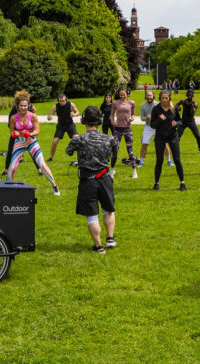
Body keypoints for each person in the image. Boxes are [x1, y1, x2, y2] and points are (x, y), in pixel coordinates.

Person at [66, 106, 118, 254]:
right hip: (105, 178)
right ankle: (110, 238)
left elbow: (68, 152)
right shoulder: (109, 138)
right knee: (108, 209)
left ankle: (99, 246)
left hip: (88, 180)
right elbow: (114, 155)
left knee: (92, 215)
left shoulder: (79, 140)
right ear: (100, 121)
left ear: (84, 121)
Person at [8, 96, 60, 195]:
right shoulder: (13, 118)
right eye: (21, 106)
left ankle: (54, 185)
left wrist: (30, 134)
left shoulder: (33, 116)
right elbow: (11, 130)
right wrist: (14, 133)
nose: (23, 108)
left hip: (32, 141)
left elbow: (37, 130)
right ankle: (7, 187)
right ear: (17, 106)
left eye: (25, 106)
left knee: (42, 165)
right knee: (12, 167)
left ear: (28, 106)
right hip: (19, 142)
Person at [150, 90, 187, 191]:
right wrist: (159, 120)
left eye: (166, 98)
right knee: (159, 160)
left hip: (172, 136)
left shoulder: (173, 108)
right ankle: (156, 183)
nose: (165, 100)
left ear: (169, 98)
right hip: (160, 137)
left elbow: (180, 120)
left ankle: (182, 182)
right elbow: (152, 125)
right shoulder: (156, 109)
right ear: (160, 98)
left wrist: (177, 124)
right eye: (163, 98)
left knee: (177, 160)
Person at [5, 91, 37, 175]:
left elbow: (34, 111)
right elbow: (10, 124)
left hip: (28, 133)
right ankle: (6, 170)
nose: (23, 106)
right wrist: (14, 133)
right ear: (17, 103)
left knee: (32, 152)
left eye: (25, 104)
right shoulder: (13, 111)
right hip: (16, 134)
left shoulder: (28, 107)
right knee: (10, 151)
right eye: (21, 104)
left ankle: (39, 170)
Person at [139, 90, 171, 171]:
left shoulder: (158, 104)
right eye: (147, 95)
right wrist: (146, 117)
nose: (149, 97)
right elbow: (141, 118)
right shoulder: (143, 106)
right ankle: (141, 162)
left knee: (164, 143)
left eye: (150, 95)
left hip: (158, 127)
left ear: (153, 96)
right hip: (148, 127)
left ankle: (169, 160)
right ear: (146, 97)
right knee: (144, 144)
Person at [110, 87, 137, 173]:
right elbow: (111, 115)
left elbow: (133, 114)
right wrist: (112, 121)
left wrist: (132, 118)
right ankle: (112, 170)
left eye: (124, 94)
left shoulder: (131, 103)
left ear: (127, 93)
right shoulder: (115, 103)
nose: (122, 96)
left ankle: (134, 170)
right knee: (115, 150)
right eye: (120, 95)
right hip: (117, 130)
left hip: (127, 129)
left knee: (130, 151)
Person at [47, 93, 80, 161]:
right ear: (58, 100)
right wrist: (50, 117)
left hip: (70, 125)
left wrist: (74, 114)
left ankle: (80, 158)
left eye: (63, 100)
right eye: (60, 101)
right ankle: (51, 157)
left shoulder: (70, 104)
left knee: (77, 140)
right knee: (55, 142)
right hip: (60, 126)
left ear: (65, 99)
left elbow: (77, 112)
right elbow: (50, 115)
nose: (61, 102)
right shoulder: (55, 106)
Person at [176, 89, 200, 155]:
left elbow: (192, 113)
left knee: (197, 135)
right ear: (186, 94)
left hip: (191, 121)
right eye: (188, 94)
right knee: (178, 135)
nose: (189, 96)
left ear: (193, 95)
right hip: (183, 121)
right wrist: (178, 108)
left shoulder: (195, 104)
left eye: (191, 94)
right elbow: (176, 105)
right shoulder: (183, 101)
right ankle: (176, 149)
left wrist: (192, 106)